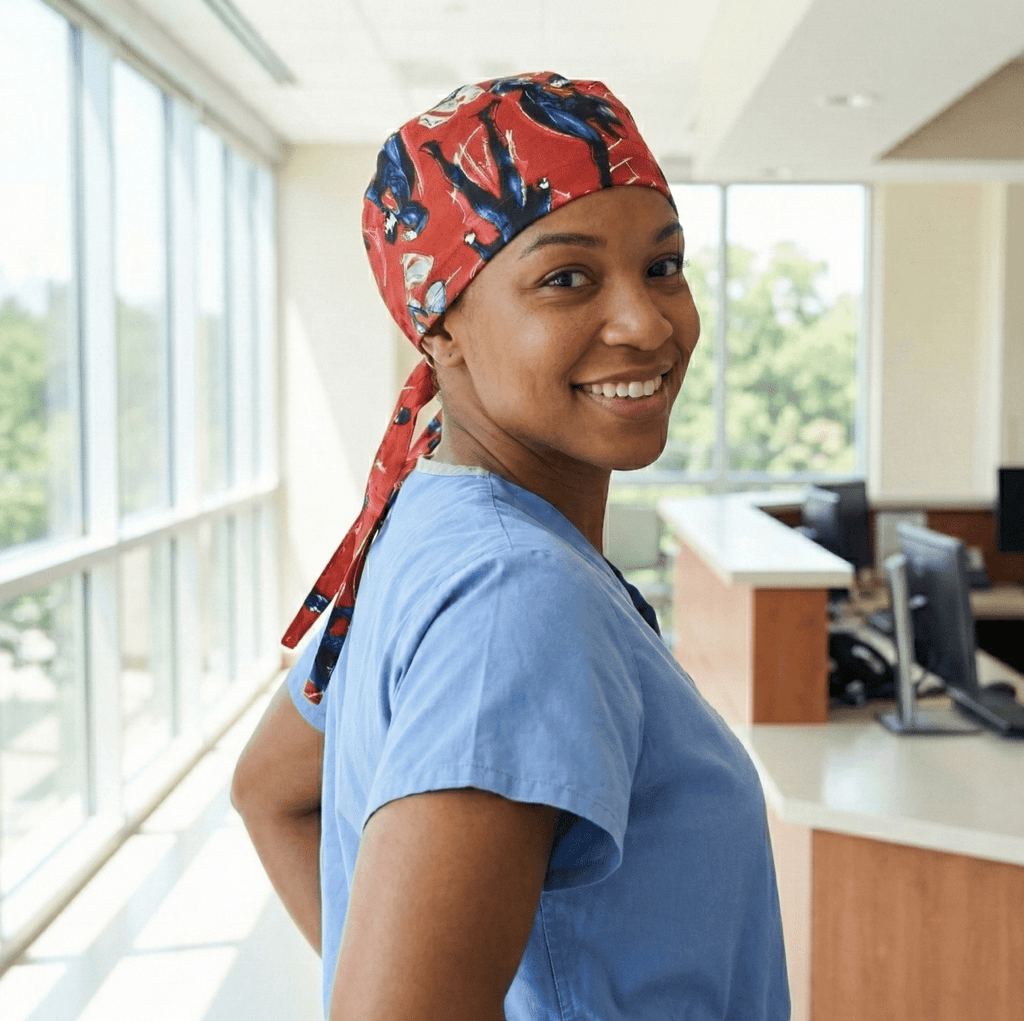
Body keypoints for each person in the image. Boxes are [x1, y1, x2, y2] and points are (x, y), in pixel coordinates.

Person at [232, 72, 790, 1021]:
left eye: (663, 265)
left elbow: (269, 790)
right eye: (567, 278)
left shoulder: (427, 523)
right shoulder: (518, 596)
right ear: (441, 325)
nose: (648, 321)